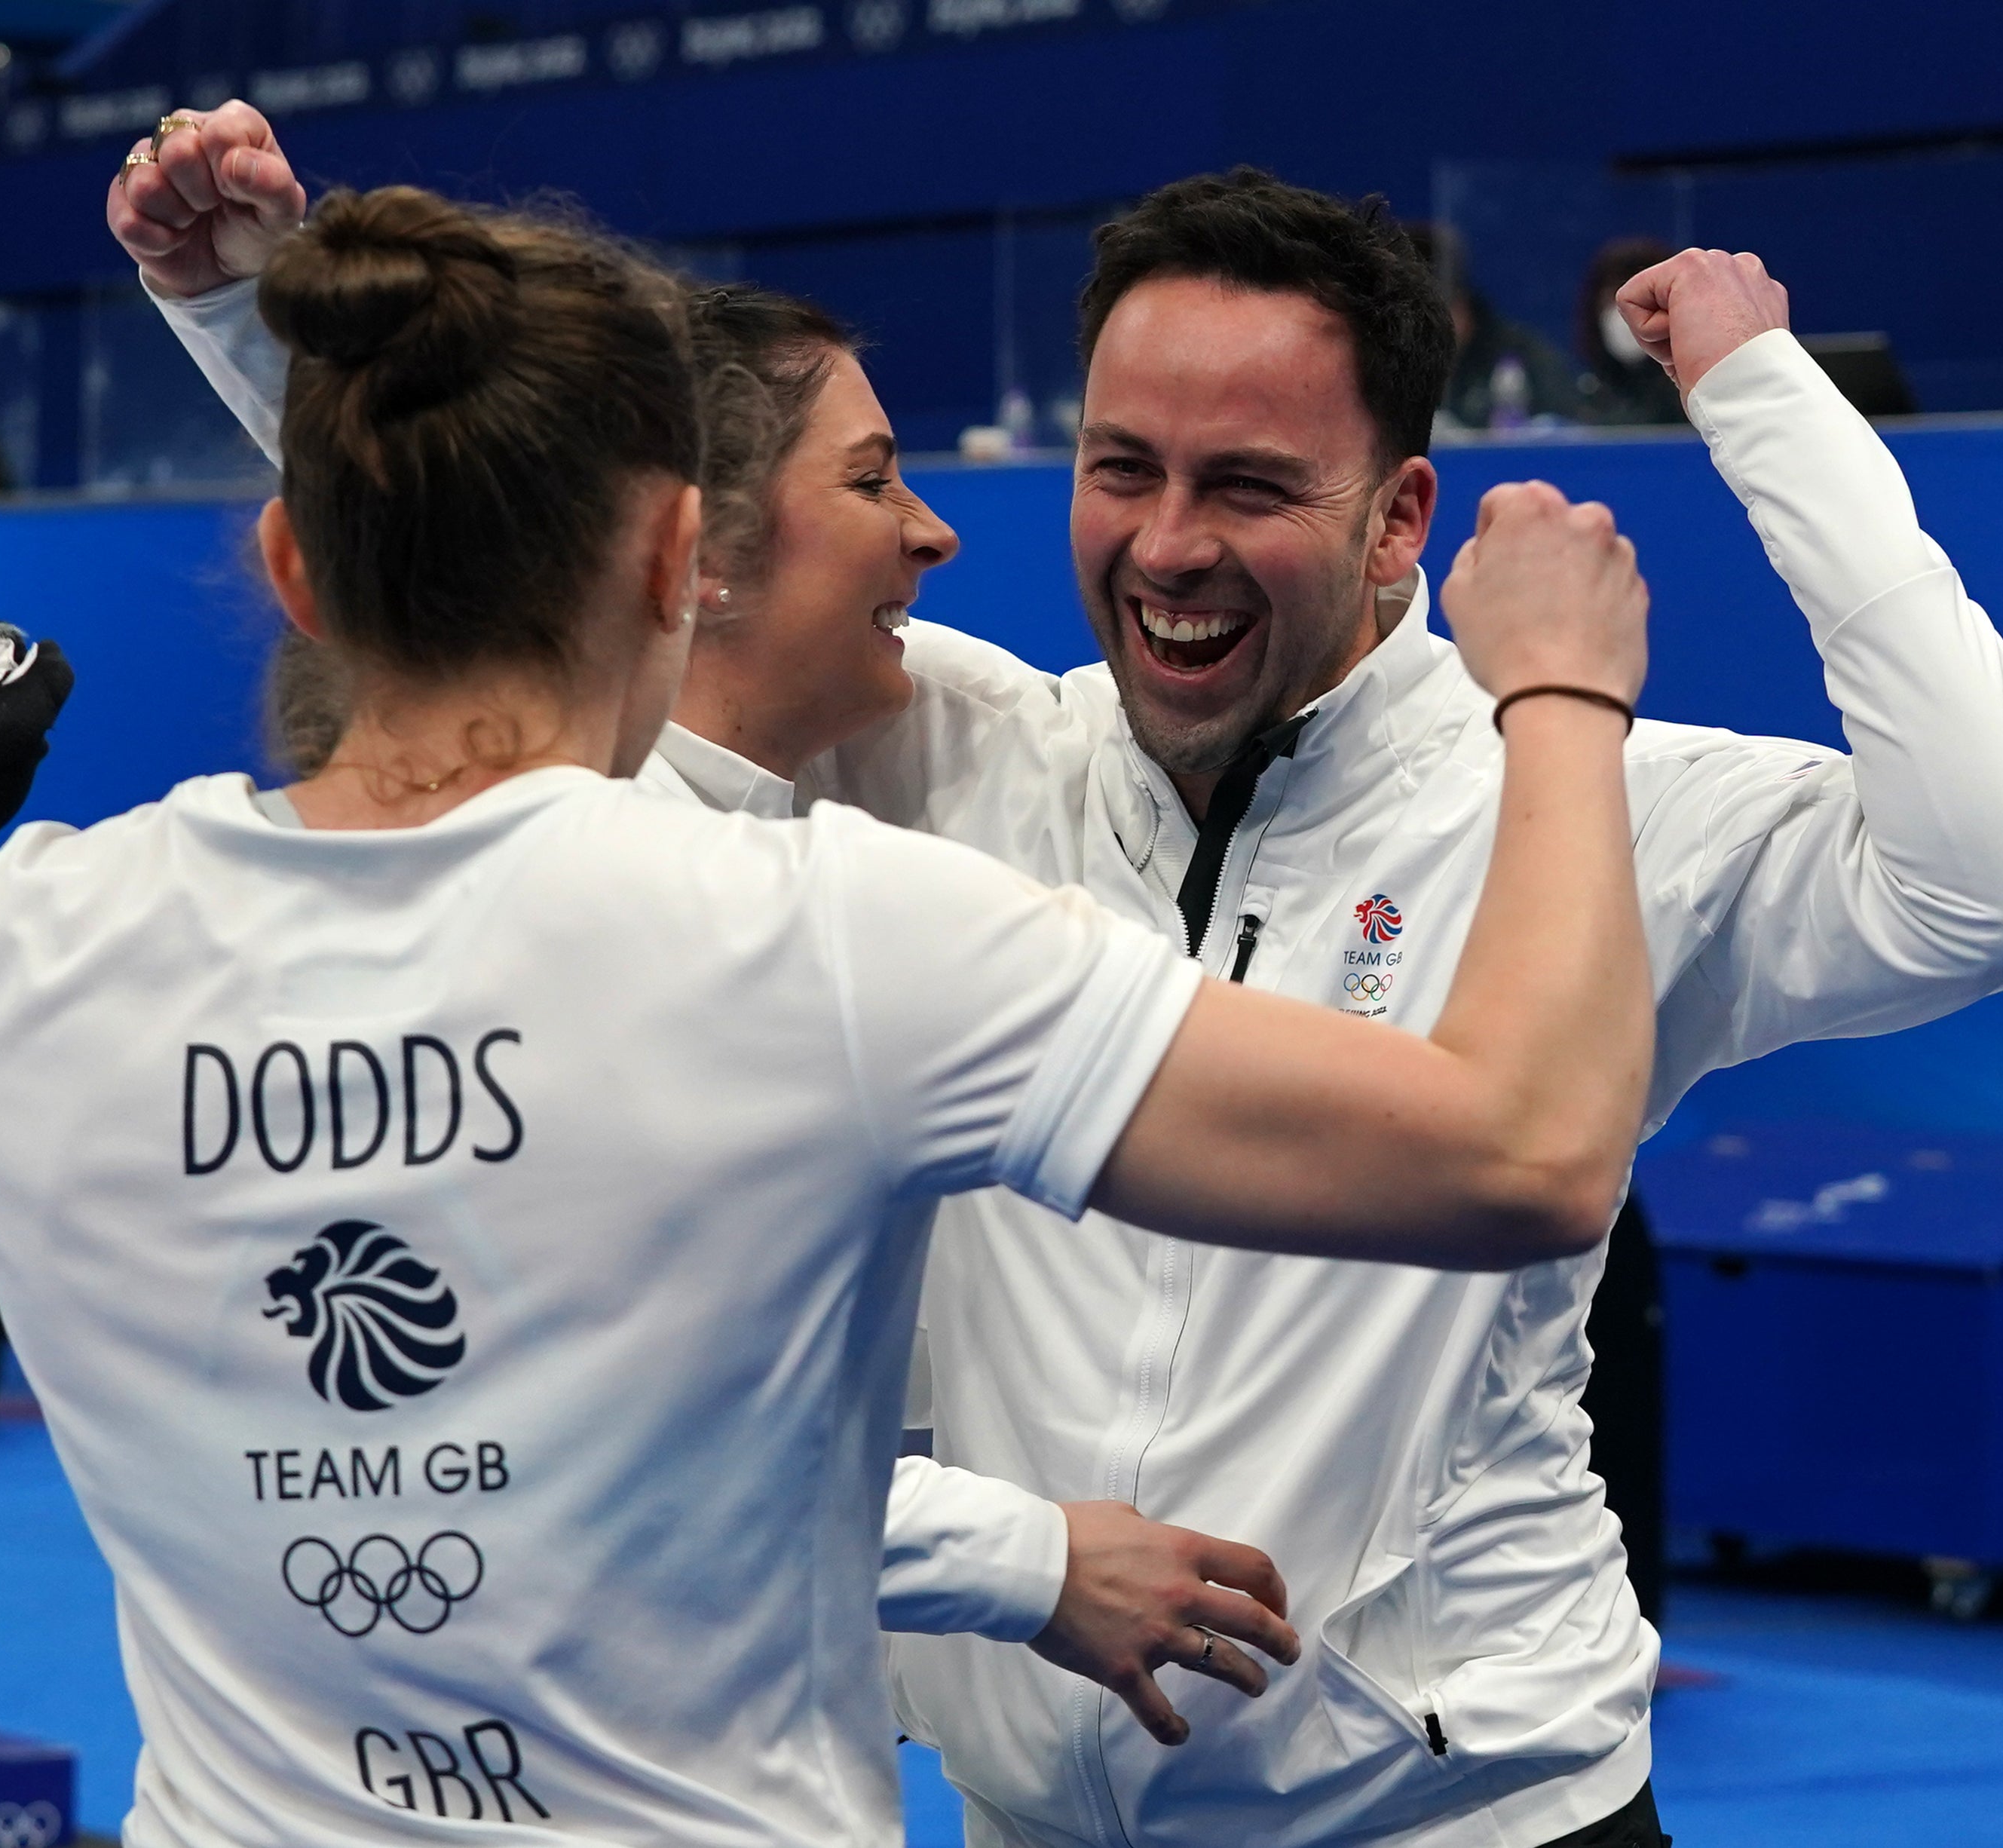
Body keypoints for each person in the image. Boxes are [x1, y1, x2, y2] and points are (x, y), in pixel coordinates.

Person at [134, 132, 2003, 1848]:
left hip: (1468, 1816)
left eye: (1245, 484)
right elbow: (528, 600)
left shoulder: (1586, 806)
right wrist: (270, 332)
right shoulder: (962, 755)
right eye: (1117, 467)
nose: (1162, 546)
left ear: (1396, 518)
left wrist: (1757, 396)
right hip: (1011, 1810)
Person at [0, 184, 1660, 1848]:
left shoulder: (35, 944)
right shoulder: (845, 941)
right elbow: (1524, 1150)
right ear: (679, 553)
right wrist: (1555, 699)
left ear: (293, 565)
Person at [117, 106, 1313, 1725]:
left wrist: (261, 301)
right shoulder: (551, 885)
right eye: (877, 477)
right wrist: (1027, 1558)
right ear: (707, 552)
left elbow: (472, 521)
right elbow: (595, 1424)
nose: (940, 526)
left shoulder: (911, 722)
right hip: (532, 1694)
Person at [1404, 220, 1580, 432]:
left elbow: (1568, 421)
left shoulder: (1521, 356)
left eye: (1429, 311)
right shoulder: (1386, 365)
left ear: (1459, 302)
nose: (1418, 328)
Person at [1575, 237, 1686, 427]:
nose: (1624, 314)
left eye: (1643, 300)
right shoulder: (1587, 394)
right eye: (1613, 297)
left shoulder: (1692, 397)